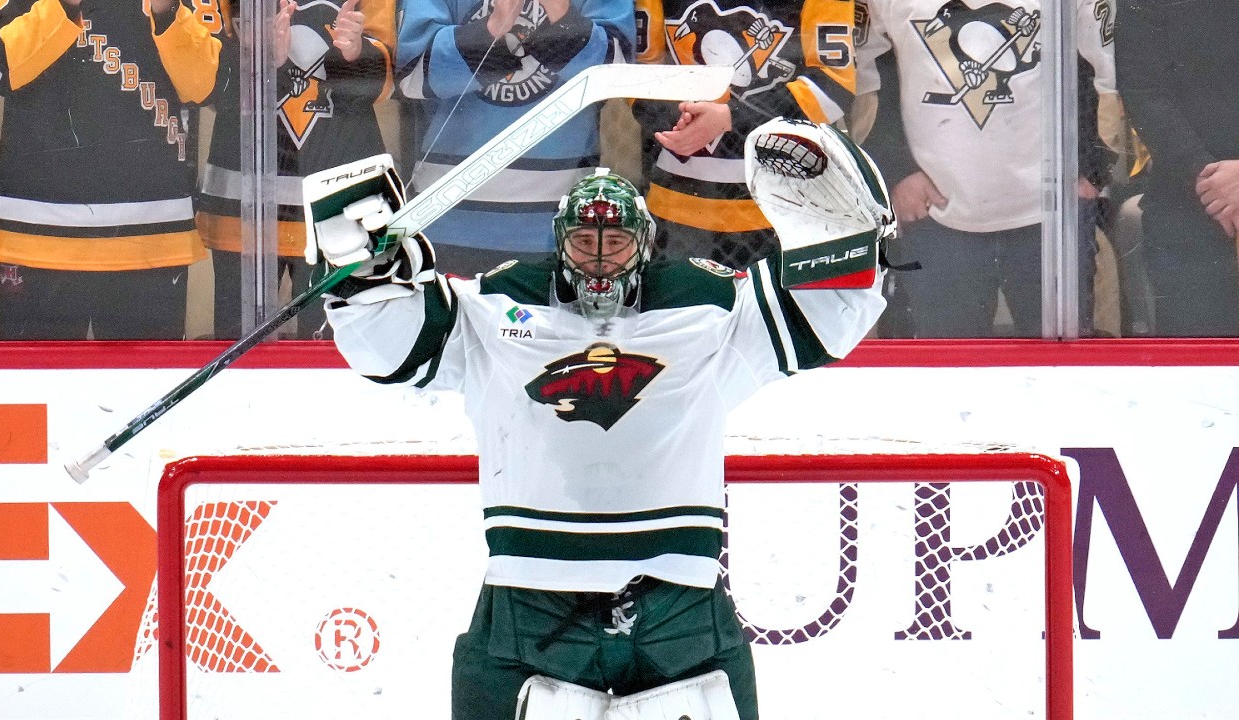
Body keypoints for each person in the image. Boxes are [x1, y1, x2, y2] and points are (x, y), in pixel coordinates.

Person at [304, 119, 889, 720]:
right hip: (530, 594)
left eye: (617, 243)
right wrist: (371, 278)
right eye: (586, 242)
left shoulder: (706, 310)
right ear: (560, 242)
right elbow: (392, 350)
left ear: (647, 241)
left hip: (676, 598)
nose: (602, 260)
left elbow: (828, 311)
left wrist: (844, 236)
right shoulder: (495, 308)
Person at [857, 0, 1114, 337]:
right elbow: (864, 80)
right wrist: (896, 169)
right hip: (935, 210)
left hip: (1052, 211)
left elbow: (1108, 72)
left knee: (1059, 370)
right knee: (949, 370)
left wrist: (1090, 168)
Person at [0, 0, 220, 339]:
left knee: (145, 390)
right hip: (33, 230)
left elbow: (206, 87)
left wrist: (167, 13)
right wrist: (62, 6)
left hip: (150, 234)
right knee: (37, 384)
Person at [195, 0, 396, 340]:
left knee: (332, 361)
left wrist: (355, 54)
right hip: (242, 211)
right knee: (240, 362)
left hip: (337, 211)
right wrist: (260, 61)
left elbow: (387, 82)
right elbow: (206, 82)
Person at [393, 0, 634, 277]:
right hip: (445, 218)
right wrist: (493, 27)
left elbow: (619, 71)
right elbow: (411, 76)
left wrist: (561, 15)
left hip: (561, 224)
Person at [632, 0, 859, 270]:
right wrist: (680, 120)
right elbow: (638, 70)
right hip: (674, 209)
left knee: (772, 311)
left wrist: (731, 117)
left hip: (782, 211)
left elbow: (834, 86)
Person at [1115, 0, 1239, 337]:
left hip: (1201, 195)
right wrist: (1206, 177)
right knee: (1195, 374)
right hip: (1189, 204)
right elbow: (1142, 89)